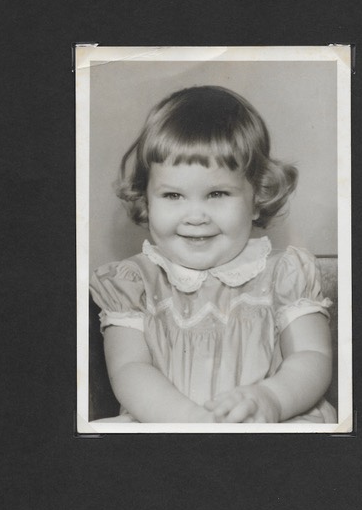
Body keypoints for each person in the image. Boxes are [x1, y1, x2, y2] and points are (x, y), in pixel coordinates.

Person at [90, 85, 336, 423]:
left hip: (269, 425)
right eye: (173, 195)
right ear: (146, 201)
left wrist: (271, 399)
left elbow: (312, 355)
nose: (195, 216)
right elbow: (129, 369)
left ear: (256, 199)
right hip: (164, 426)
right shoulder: (133, 284)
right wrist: (190, 421)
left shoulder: (285, 274)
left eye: (217, 193)